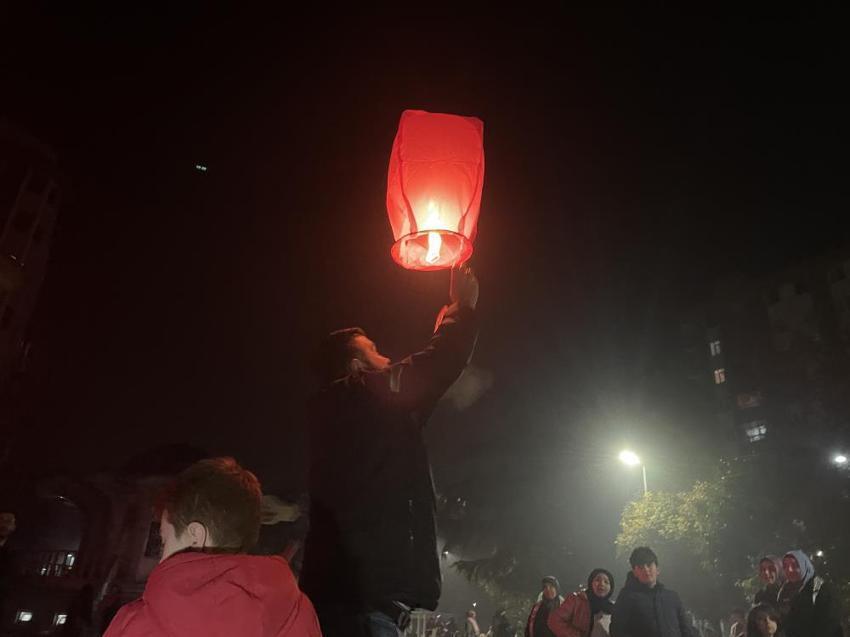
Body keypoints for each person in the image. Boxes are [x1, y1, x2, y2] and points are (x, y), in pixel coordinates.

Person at [301, 266, 480, 637]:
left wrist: (444, 328)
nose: (385, 358)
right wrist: (462, 309)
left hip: (352, 600)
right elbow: (431, 371)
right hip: (361, 607)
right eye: (373, 351)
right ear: (355, 367)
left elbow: (423, 387)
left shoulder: (351, 415)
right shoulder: (361, 395)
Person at [104, 457, 321, 637]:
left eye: (164, 541)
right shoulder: (299, 614)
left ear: (196, 536)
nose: (161, 559)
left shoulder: (135, 625)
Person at [610, 546, 694, 637]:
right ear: (634, 572)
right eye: (641, 567)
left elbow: (686, 629)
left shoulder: (672, 597)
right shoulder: (626, 597)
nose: (646, 569)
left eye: (649, 565)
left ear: (657, 569)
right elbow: (617, 631)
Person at [775, 549, 841, 637]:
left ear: (804, 565)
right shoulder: (785, 591)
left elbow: (830, 622)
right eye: (786, 566)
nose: (789, 570)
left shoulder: (819, 587)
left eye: (794, 565)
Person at [548, 568, 615, 637]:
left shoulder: (613, 608)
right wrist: (576, 635)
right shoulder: (576, 600)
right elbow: (554, 620)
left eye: (606, 582)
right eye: (597, 580)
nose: (602, 584)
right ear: (590, 583)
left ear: (611, 588)